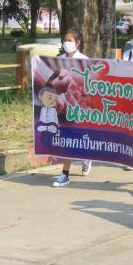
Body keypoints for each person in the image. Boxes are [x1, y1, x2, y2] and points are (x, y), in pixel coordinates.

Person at [52, 29, 92, 187]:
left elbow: (88, 84)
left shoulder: (84, 60)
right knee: (66, 138)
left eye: (70, 40)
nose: (66, 43)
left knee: (78, 135)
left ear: (78, 42)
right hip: (62, 106)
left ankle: (85, 158)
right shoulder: (58, 60)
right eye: (65, 40)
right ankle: (65, 174)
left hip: (78, 106)